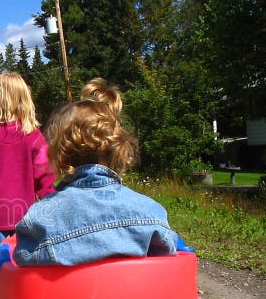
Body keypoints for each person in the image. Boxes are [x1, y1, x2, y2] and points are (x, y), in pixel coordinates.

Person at [13, 99, 177, 266]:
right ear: (118, 149)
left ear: (57, 154)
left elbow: (24, 274)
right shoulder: (152, 213)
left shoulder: (39, 219)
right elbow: (169, 270)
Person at [0, 71, 56, 299]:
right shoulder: (33, 136)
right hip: (25, 212)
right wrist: (53, 202)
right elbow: (44, 174)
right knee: (26, 254)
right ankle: (25, 295)